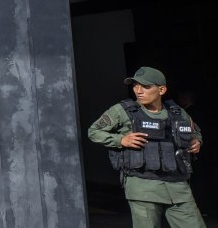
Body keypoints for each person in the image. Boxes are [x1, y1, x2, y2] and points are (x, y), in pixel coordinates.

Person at [87, 66, 205, 228]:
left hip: (178, 187)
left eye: (145, 86)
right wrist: (121, 140)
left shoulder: (176, 112)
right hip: (143, 187)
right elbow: (94, 132)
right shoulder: (123, 111)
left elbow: (195, 132)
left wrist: (197, 141)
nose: (138, 91)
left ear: (161, 90)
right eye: (135, 86)